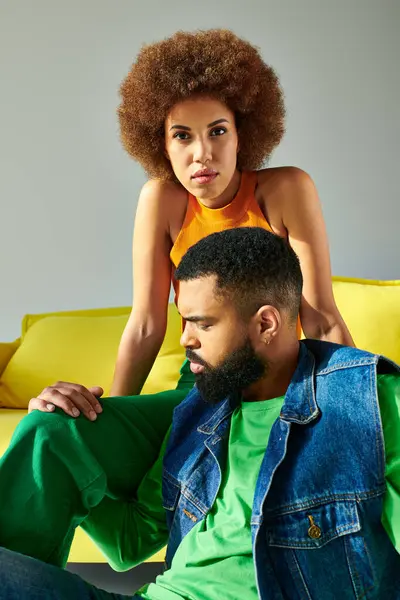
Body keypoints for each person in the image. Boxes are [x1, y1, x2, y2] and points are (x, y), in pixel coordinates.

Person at [0, 227, 399, 600]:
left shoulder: (367, 401)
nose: (184, 339)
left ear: (265, 324)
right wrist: (64, 436)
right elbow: (129, 541)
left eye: (201, 324)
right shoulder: (199, 413)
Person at [28, 28, 352, 422]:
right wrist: (109, 418)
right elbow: (147, 325)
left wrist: (355, 407)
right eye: (182, 136)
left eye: (218, 131)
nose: (203, 154)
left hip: (281, 382)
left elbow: (322, 318)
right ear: (161, 146)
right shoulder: (161, 201)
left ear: (241, 135)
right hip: (201, 383)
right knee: (53, 426)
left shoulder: (286, 189)